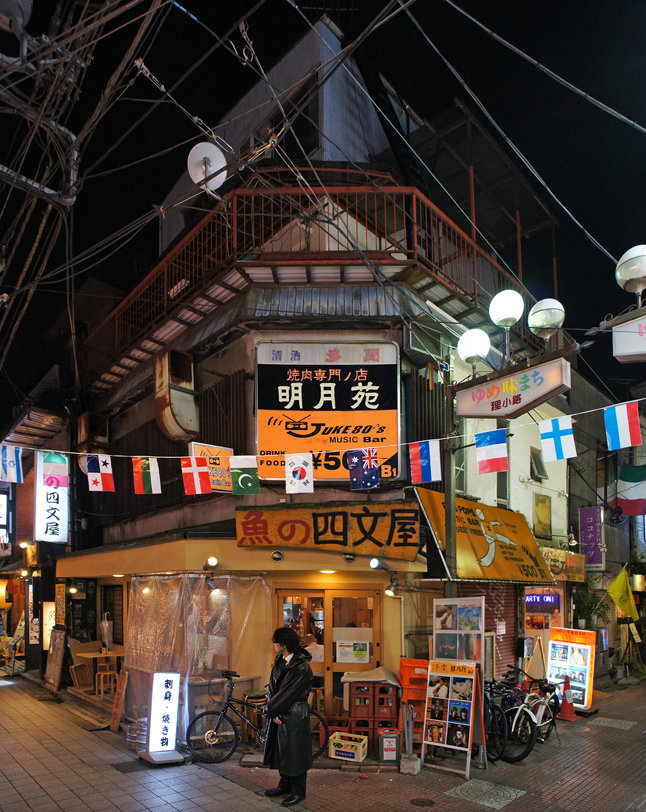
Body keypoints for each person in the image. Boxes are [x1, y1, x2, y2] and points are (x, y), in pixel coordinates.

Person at [263, 626, 314, 807]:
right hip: (281, 713)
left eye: (275, 642)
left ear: (283, 644)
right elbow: (272, 688)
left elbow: (290, 693)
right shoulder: (280, 661)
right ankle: (284, 785)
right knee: (282, 751)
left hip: (295, 714)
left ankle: (298, 791)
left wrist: (271, 711)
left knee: (295, 753)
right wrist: (274, 712)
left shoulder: (302, 667)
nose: (273, 645)